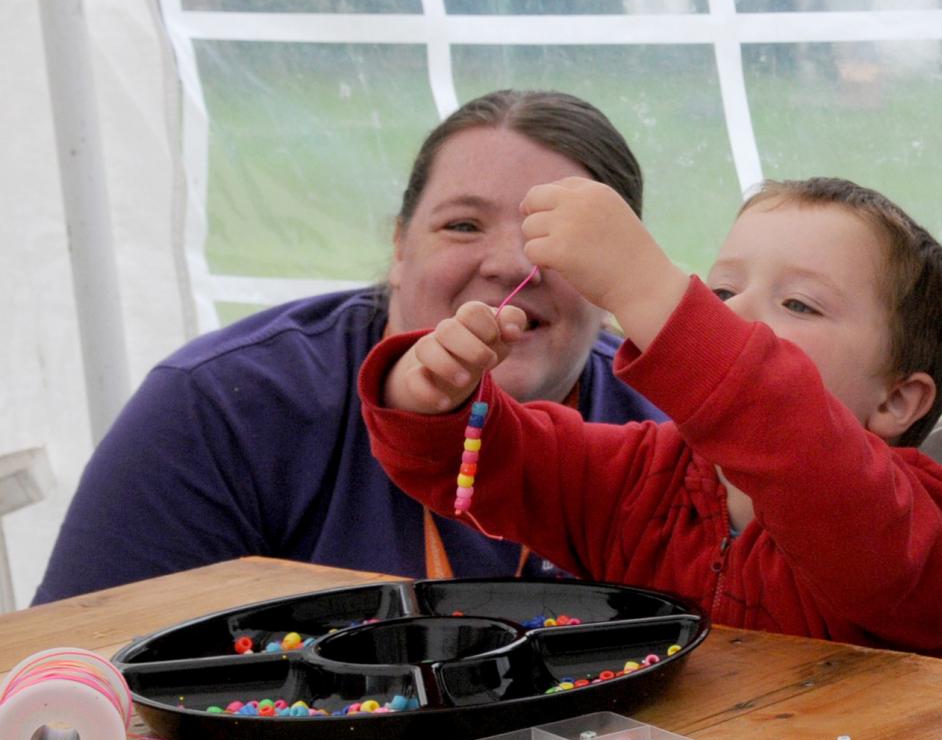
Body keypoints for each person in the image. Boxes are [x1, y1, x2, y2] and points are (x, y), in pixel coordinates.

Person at [33, 90, 663, 602]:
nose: (506, 263)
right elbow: (72, 681)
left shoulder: (671, 424)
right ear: (399, 247)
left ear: (613, 278)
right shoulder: (222, 406)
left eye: (552, 237)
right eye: (463, 225)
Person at [359, 176, 942, 662]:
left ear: (896, 402)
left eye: (798, 303)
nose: (734, 318)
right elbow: (484, 463)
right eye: (719, 295)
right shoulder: (637, 475)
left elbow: (798, 444)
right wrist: (429, 393)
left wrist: (644, 286)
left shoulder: (911, 519)